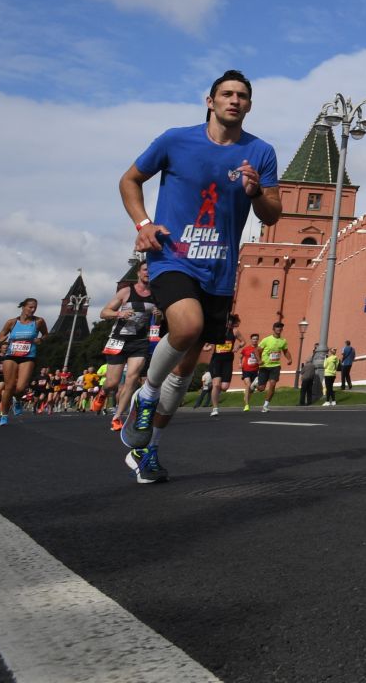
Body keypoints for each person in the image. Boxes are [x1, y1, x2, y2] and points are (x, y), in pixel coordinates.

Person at [119, 70, 282, 483]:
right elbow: (130, 179)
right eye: (226, 94)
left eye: (242, 96)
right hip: (173, 256)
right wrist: (143, 223)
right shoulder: (175, 140)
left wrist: (255, 192)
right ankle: (146, 393)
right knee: (186, 326)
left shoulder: (260, 152)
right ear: (210, 101)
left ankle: (148, 452)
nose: (234, 101)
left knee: (186, 367)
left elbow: (273, 213)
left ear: (249, 105)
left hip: (220, 269)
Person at [99, 266, 160, 432]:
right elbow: (104, 313)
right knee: (112, 383)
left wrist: (159, 314)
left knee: (132, 379)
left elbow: (161, 320)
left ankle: (117, 416)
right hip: (119, 339)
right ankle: (103, 393)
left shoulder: (156, 294)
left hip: (139, 341)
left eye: (150, 270)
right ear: (138, 273)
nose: (148, 272)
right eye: (145, 269)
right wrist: (119, 314)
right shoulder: (126, 292)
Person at [0, 298, 49, 426]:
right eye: (30, 307)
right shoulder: (11, 322)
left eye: (35, 307)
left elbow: (46, 334)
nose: (33, 309)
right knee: (9, 386)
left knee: (21, 387)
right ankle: (4, 416)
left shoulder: (38, 321)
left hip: (28, 356)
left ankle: (17, 399)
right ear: (23, 307)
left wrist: (41, 340)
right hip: (11, 355)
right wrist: (0, 340)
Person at [204, 315, 240, 416]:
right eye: (227, 322)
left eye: (230, 322)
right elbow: (205, 346)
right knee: (216, 384)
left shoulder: (235, 331)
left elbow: (243, 342)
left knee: (224, 387)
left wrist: (237, 346)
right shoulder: (217, 332)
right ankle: (215, 409)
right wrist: (207, 348)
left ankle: (214, 390)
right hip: (216, 360)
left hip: (228, 361)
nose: (228, 324)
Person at [255, 322, 291, 413]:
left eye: (281, 327)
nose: (279, 329)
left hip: (275, 366)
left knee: (273, 384)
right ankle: (256, 383)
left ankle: (266, 405)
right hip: (264, 366)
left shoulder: (283, 341)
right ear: (273, 329)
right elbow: (257, 351)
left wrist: (289, 359)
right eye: (277, 327)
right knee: (261, 388)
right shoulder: (266, 340)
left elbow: (285, 351)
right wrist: (259, 360)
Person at [238, 336, 262, 411]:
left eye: (256, 339)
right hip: (246, 370)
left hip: (255, 370)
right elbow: (240, 357)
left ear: (258, 340)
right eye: (253, 339)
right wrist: (240, 363)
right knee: (248, 385)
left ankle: (246, 395)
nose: (255, 340)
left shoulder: (260, 349)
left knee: (252, 389)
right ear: (251, 340)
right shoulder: (246, 349)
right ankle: (247, 405)